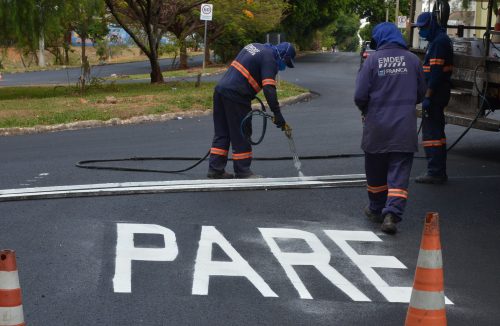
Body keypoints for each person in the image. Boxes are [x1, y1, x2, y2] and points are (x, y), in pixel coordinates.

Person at [354, 23, 426, 234]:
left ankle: (376, 208)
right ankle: (391, 214)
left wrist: (365, 109)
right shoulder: (413, 60)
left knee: (375, 170)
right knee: (399, 172)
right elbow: (422, 91)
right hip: (404, 128)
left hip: (376, 126)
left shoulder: (372, 61)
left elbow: (359, 95)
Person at [207, 42, 296, 179]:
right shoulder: (270, 58)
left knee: (222, 132)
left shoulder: (256, 46)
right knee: (242, 132)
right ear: (282, 55)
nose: (282, 67)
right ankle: (243, 171)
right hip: (236, 96)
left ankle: (215, 169)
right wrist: (277, 114)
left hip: (220, 91)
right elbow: (269, 89)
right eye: (285, 62)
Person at [413, 12, 453, 184]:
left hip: (436, 94)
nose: (421, 31)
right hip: (437, 92)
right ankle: (437, 170)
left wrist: (428, 96)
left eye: (423, 27)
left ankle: (435, 172)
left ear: (431, 25)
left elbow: (436, 73)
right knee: (436, 132)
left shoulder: (438, 42)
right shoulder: (437, 40)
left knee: (432, 135)